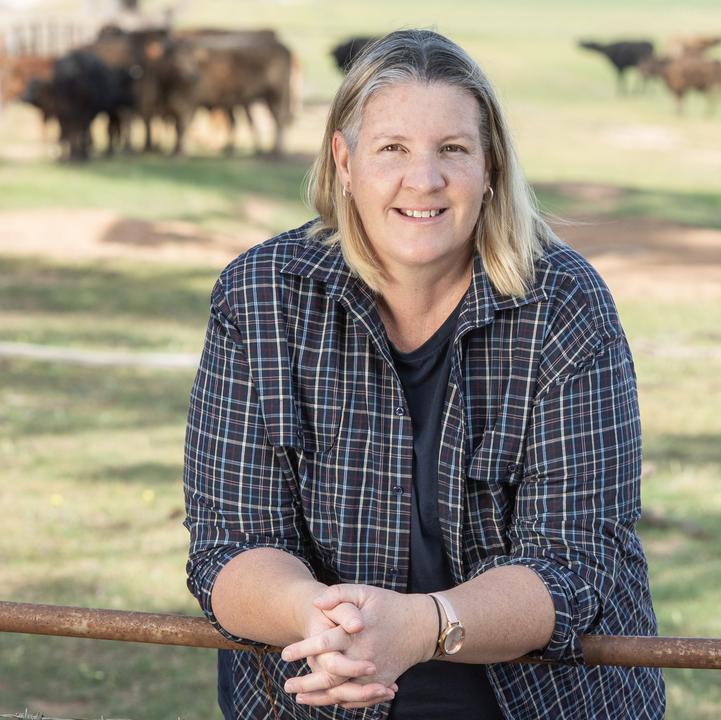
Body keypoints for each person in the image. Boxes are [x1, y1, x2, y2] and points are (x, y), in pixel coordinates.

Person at [182, 29, 665, 719]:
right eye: (393, 150)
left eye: (453, 150)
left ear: (491, 164)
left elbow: (574, 565)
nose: (425, 180)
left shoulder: (565, 305)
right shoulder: (259, 297)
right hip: (316, 704)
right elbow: (230, 546)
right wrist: (315, 616)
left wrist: (423, 625)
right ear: (344, 161)